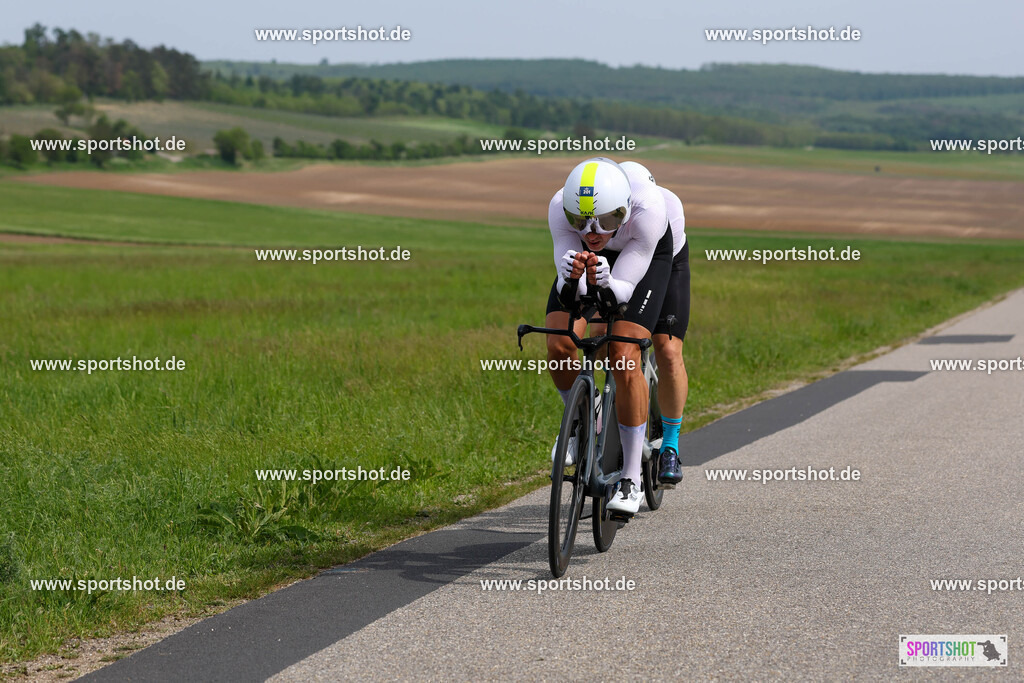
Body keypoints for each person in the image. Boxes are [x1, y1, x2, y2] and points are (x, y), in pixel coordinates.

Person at [545, 157, 672, 514]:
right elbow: (570, 294)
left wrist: (607, 281)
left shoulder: (647, 211)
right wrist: (572, 278)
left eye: (606, 220)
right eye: (580, 221)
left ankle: (631, 477)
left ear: (624, 210)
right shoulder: (559, 207)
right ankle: (584, 414)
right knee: (559, 343)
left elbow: (622, 292)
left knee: (623, 355)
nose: (592, 231)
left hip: (640, 257)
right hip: (593, 261)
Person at [617, 161, 690, 485]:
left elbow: (655, 275)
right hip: (623, 258)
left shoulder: (665, 206)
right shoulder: (609, 211)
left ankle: (670, 446)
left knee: (668, 349)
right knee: (605, 338)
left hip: (665, 262)